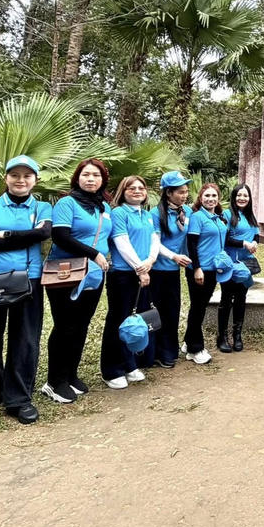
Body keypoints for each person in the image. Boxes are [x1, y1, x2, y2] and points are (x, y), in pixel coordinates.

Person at [0, 155, 53, 424]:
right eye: (15, 175)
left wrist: (3, 235)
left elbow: (43, 235)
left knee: (24, 339)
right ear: (6, 178)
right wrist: (23, 235)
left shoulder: (43, 207)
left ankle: (18, 398)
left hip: (30, 279)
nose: (21, 180)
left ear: (35, 181)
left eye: (27, 176)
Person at [42, 157, 112, 404]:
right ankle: (54, 381)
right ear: (77, 178)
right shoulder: (66, 203)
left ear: (103, 180)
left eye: (96, 175)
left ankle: (70, 374)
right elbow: (60, 236)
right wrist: (94, 254)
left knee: (82, 324)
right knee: (65, 325)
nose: (91, 179)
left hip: (94, 275)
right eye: (86, 175)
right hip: (66, 273)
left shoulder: (104, 207)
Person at [104, 175, 159, 389]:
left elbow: (155, 239)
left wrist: (150, 262)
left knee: (136, 321)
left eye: (141, 188)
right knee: (119, 321)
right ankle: (112, 369)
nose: (137, 191)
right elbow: (122, 243)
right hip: (124, 275)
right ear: (122, 191)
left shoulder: (146, 215)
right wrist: (140, 268)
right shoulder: (118, 213)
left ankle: (130, 364)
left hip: (144, 271)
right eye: (131, 188)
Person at [183, 182, 229, 364]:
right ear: (200, 198)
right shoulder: (197, 217)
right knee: (197, 307)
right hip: (199, 270)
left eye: (214, 196)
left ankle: (188, 341)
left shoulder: (218, 218)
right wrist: (196, 268)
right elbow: (191, 244)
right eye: (207, 196)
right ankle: (195, 349)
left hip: (213, 269)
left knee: (200, 306)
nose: (211, 199)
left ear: (218, 198)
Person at [152, 171, 193, 367]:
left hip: (174, 271)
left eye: (186, 191)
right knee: (156, 312)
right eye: (180, 192)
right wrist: (174, 256)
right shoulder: (155, 213)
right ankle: (154, 352)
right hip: (157, 269)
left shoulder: (187, 212)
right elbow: (155, 244)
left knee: (172, 311)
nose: (184, 195)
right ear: (168, 193)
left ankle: (169, 351)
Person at [219, 183, 260, 353]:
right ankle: (222, 337)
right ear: (234, 197)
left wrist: (255, 242)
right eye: (239, 195)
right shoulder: (227, 215)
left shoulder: (250, 216)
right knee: (227, 299)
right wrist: (244, 244)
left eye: (245, 195)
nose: (242, 198)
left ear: (249, 199)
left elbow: (256, 233)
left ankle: (237, 336)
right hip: (230, 263)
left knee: (241, 298)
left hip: (246, 264)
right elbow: (224, 238)